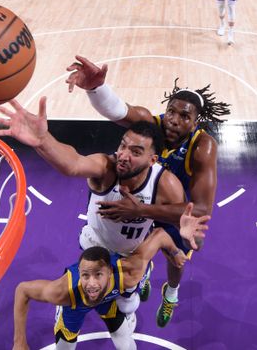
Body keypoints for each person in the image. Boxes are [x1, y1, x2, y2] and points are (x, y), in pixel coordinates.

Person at [65, 55, 230, 327]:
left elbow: (200, 210)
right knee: (131, 247)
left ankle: (171, 293)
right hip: (140, 195)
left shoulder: (203, 147)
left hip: (173, 207)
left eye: (184, 116)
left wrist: (140, 210)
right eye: (172, 111)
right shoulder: (152, 123)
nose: (173, 120)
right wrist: (96, 88)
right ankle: (139, 275)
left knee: (182, 255)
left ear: (196, 121)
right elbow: (119, 110)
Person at [0, 99, 187, 313]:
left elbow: (186, 222)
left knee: (127, 307)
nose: (124, 156)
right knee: (87, 297)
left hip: (132, 253)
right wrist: (44, 140)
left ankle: (145, 279)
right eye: (122, 145)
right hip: (96, 244)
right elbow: (73, 163)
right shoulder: (106, 168)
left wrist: (144, 213)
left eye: (136, 152)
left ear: (152, 159)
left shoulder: (166, 184)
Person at [12, 204, 209, 350]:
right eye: (85, 275)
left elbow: (158, 235)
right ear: (79, 274)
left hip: (108, 300)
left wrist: (175, 250)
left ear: (109, 272)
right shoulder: (62, 291)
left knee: (127, 345)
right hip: (75, 305)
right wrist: (19, 341)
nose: (91, 283)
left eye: (98, 275)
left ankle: (139, 286)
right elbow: (23, 290)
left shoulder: (127, 273)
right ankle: (61, 314)